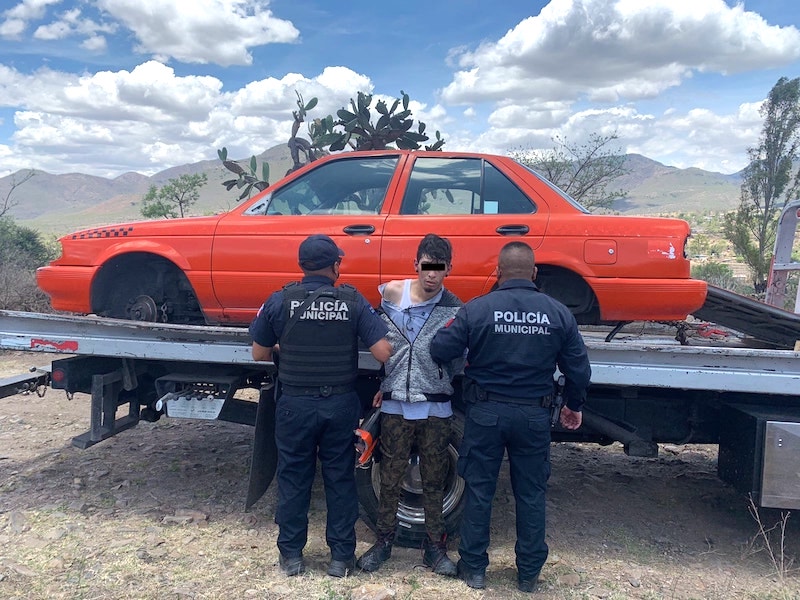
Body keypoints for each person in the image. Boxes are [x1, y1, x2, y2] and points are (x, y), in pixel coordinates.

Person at [430, 241, 591, 593]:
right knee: (531, 494)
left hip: (486, 413)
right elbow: (579, 369)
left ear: (498, 273)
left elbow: (441, 349)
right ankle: (529, 574)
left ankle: (473, 569)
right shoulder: (558, 312)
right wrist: (573, 405)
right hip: (533, 416)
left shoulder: (478, 309)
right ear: (534, 273)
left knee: (480, 491)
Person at [249, 234, 392, 578]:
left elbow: (258, 353)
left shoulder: (279, 300)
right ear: (336, 266)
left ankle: (292, 557)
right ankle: (341, 558)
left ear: (302, 265)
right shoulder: (352, 301)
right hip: (339, 404)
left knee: (293, 478)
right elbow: (384, 352)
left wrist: (290, 347)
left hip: (294, 404)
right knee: (340, 479)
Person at [357, 234, 463, 576]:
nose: (432, 274)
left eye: (440, 267)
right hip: (395, 406)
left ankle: (435, 548)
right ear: (416, 265)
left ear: (448, 270)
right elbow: (376, 340)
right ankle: (383, 543)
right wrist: (383, 383)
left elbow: (461, 358)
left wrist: (440, 374)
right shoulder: (390, 296)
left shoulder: (455, 308)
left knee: (434, 481)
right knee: (390, 479)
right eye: (427, 266)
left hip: (436, 408)